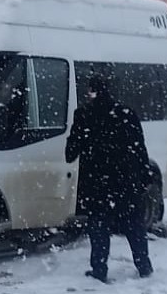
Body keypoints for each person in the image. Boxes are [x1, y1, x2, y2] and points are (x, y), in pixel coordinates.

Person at [65, 74, 154, 283]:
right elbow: (140, 149)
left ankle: (99, 268)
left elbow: (70, 153)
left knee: (99, 227)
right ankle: (143, 265)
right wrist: (144, 177)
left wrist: (78, 138)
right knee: (134, 225)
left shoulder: (84, 115)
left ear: (91, 92)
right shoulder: (127, 114)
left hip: (97, 183)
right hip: (126, 182)